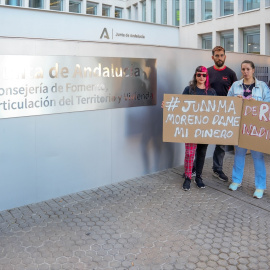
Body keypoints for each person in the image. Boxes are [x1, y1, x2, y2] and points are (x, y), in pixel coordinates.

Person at [193, 46, 237, 182]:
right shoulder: (206, 72)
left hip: (224, 114)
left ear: (225, 57)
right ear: (212, 57)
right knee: (201, 142)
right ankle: (194, 168)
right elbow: (197, 88)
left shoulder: (231, 73)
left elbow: (236, 92)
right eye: (217, 55)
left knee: (221, 143)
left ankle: (217, 169)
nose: (219, 58)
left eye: (221, 55)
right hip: (206, 114)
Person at [227, 60, 270, 199]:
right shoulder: (235, 85)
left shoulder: (262, 86)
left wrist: (255, 103)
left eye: (247, 69)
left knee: (258, 157)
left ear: (253, 70)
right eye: (243, 69)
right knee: (239, 154)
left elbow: (267, 104)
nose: (245, 72)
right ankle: (236, 181)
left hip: (255, 128)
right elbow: (228, 103)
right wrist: (236, 101)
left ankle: (260, 186)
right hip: (240, 127)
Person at [181, 66, 216, 191]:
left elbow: (216, 110)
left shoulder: (211, 92)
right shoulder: (189, 89)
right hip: (191, 127)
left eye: (204, 75)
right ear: (195, 76)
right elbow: (180, 104)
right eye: (199, 74)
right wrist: (168, 105)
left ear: (207, 77)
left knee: (201, 153)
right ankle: (188, 177)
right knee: (190, 153)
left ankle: (199, 178)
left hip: (205, 128)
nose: (201, 77)